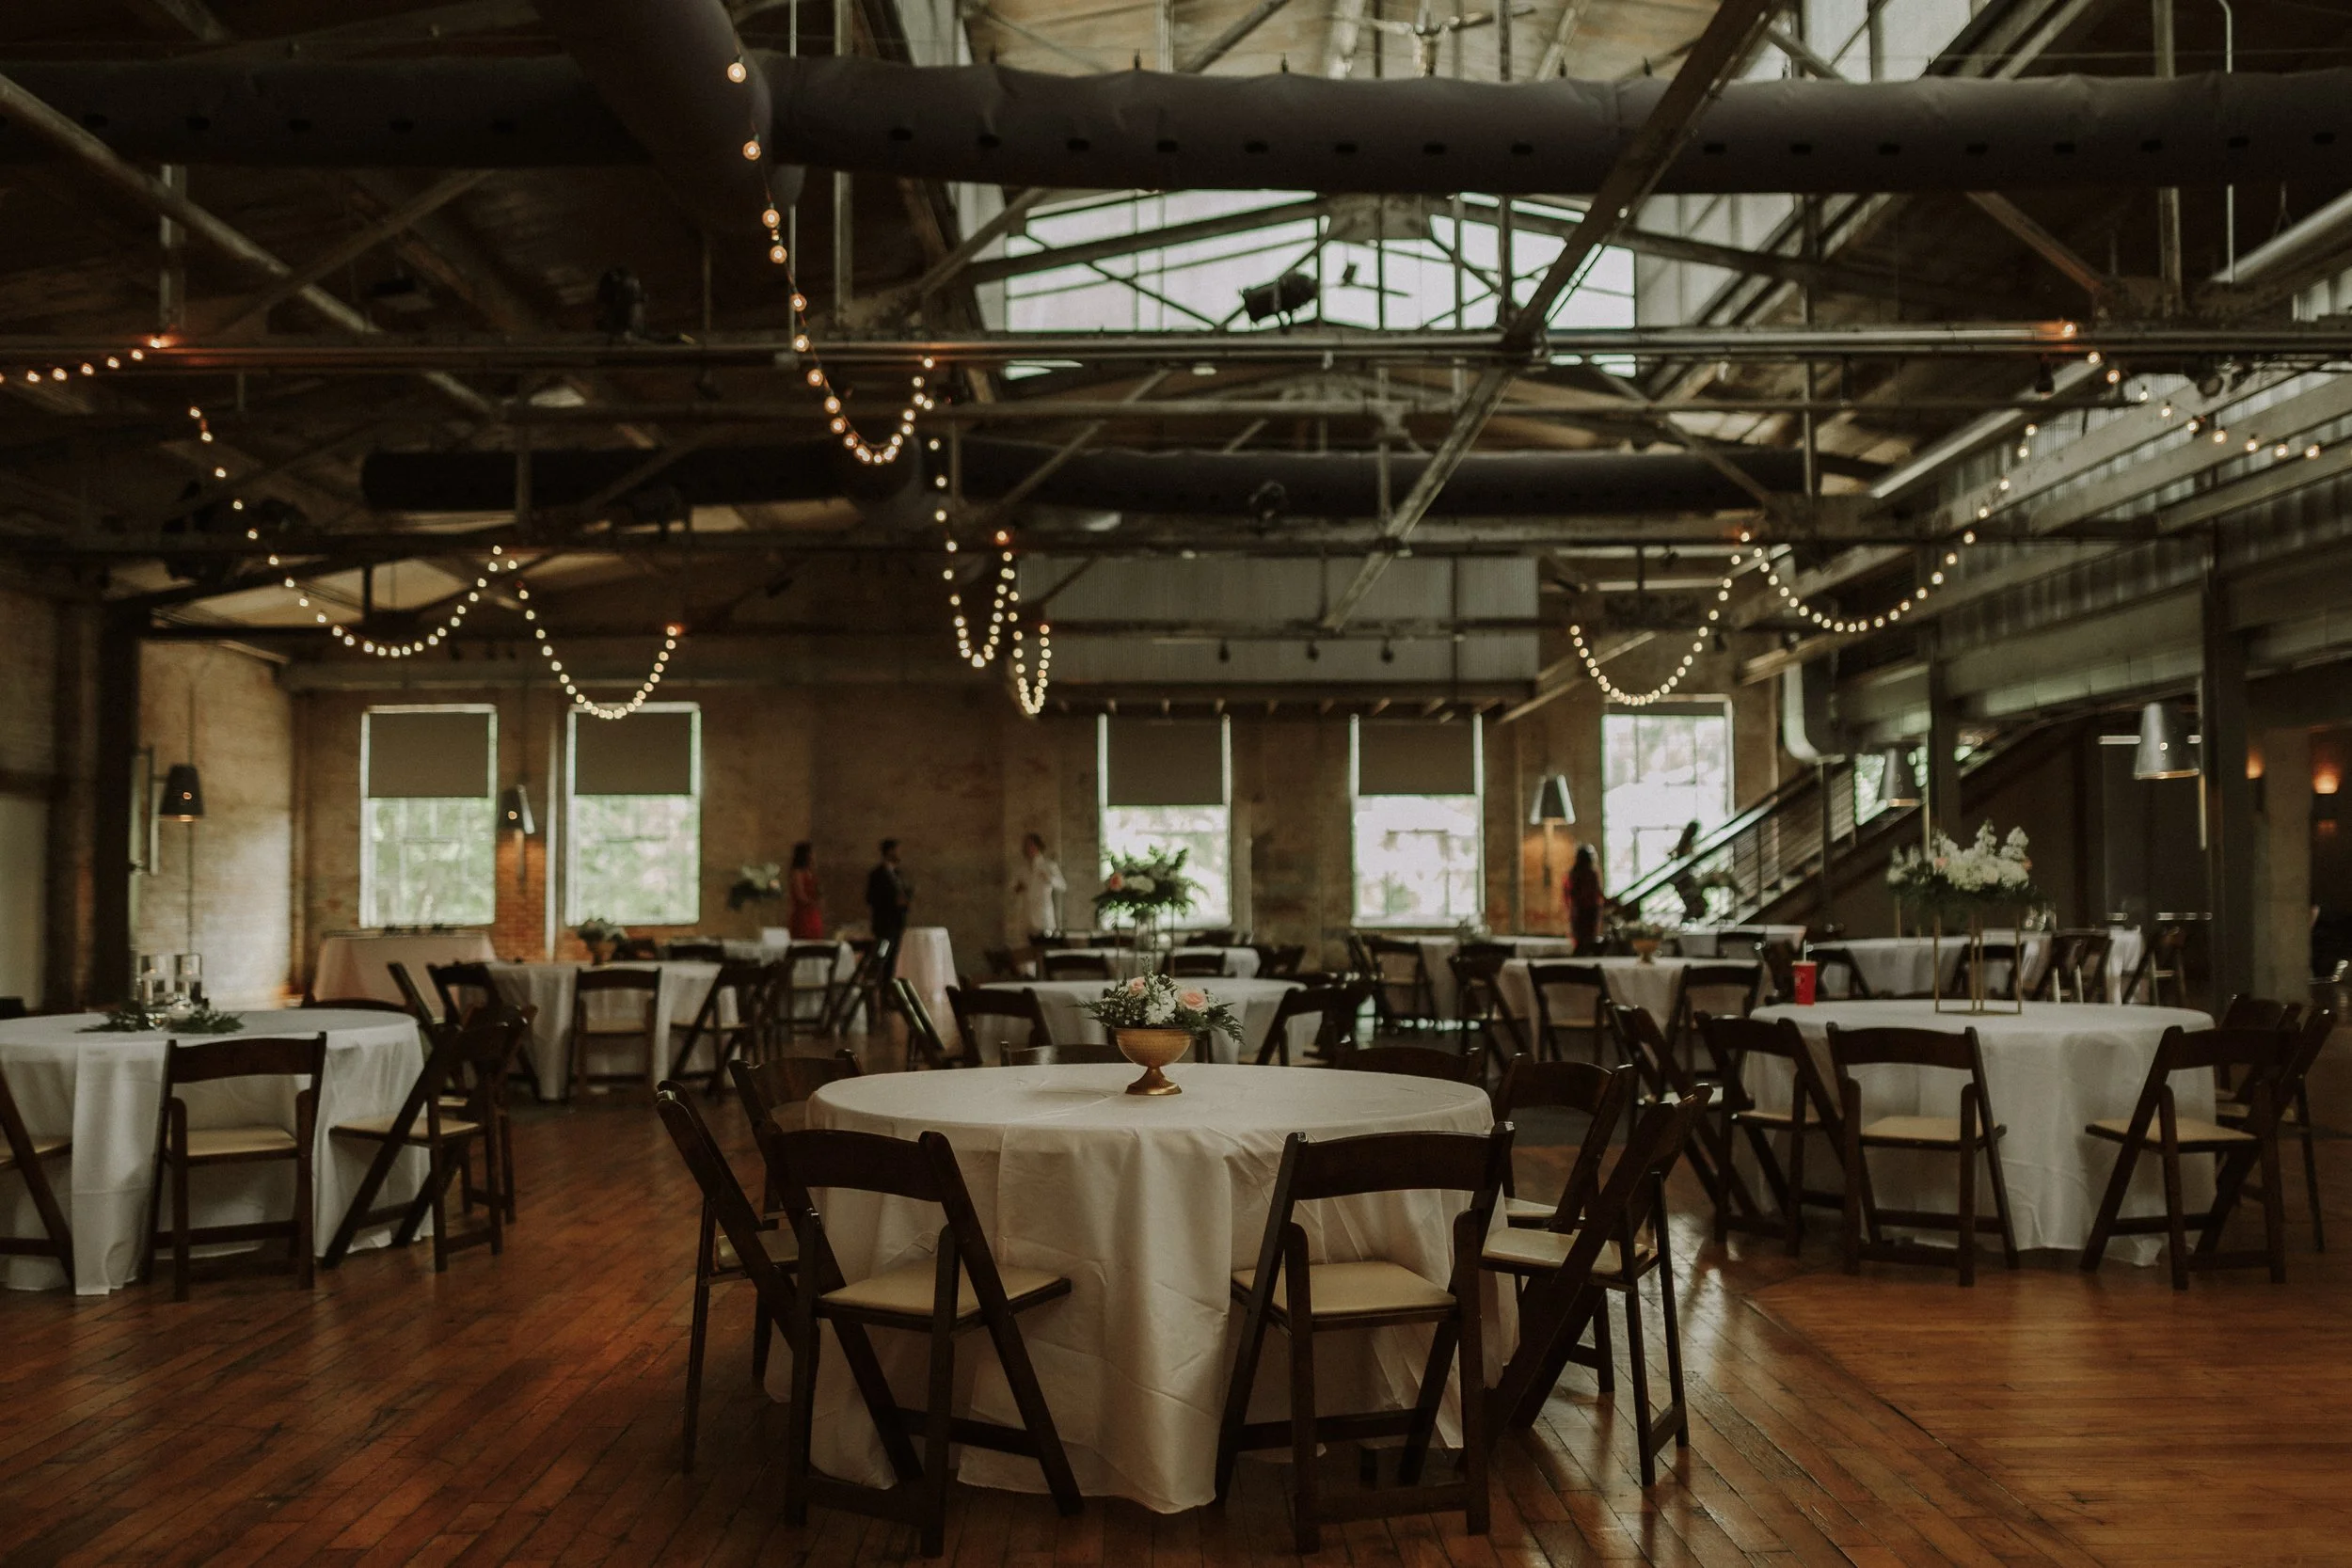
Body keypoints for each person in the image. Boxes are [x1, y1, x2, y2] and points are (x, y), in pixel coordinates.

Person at [866, 837, 913, 983]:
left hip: (896, 924)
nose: (899, 853)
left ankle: (886, 992)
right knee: (880, 958)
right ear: (890, 851)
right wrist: (893, 902)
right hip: (884, 926)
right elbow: (871, 898)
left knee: (891, 961)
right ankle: (873, 991)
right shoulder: (877, 874)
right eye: (897, 850)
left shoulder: (897, 874)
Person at [1011, 832, 1067, 942]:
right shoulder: (1023, 869)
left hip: (1043, 915)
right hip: (1027, 915)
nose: (1029, 849)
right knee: (1026, 949)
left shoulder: (1049, 865)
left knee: (1044, 947)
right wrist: (1018, 887)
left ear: (1038, 846)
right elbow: (1015, 887)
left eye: (1031, 845)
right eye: (1027, 846)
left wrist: (1049, 879)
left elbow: (1062, 886)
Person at [1567, 843, 1604, 954]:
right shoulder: (1590, 873)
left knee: (1581, 935)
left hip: (1581, 907)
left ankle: (1582, 951)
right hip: (1588, 907)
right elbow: (1596, 891)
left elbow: (1572, 892)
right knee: (1588, 935)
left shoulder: (1574, 873)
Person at [1670, 820, 1708, 923]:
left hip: (1680, 878)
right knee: (1696, 904)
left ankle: (1687, 921)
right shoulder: (1688, 843)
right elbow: (1690, 857)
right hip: (1683, 878)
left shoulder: (1683, 841)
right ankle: (1688, 921)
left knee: (1693, 903)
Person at [786, 841, 824, 941]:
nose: (814, 856)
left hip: (813, 912)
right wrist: (813, 902)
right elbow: (800, 895)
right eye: (811, 853)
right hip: (803, 914)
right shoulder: (797, 873)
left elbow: (817, 890)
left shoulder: (811, 872)